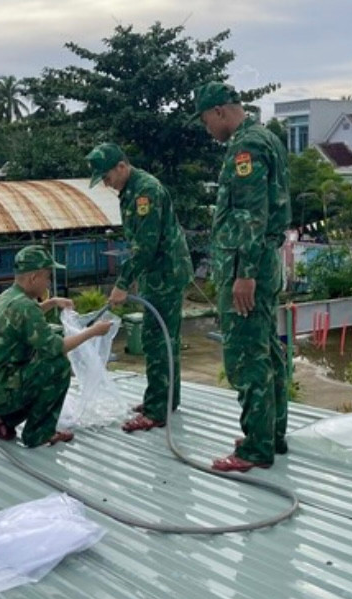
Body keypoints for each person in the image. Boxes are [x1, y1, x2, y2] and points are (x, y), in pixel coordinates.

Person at [193, 81, 292, 472]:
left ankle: (255, 448)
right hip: (264, 261)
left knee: (247, 356)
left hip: (247, 266)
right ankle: (269, 433)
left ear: (219, 111)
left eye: (206, 121)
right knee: (267, 350)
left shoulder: (246, 147)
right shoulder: (266, 138)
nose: (207, 130)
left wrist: (244, 274)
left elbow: (251, 213)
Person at [85, 142, 192, 433]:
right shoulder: (129, 190)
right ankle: (164, 398)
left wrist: (121, 284)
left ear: (122, 166)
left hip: (166, 273)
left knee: (157, 339)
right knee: (162, 337)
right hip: (156, 273)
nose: (106, 184)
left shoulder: (146, 191)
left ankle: (158, 410)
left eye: (107, 177)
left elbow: (145, 245)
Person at [0, 245, 112, 447]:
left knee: (38, 363)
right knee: (57, 365)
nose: (48, 283)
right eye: (47, 277)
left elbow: (24, 317)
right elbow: (56, 348)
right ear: (34, 277)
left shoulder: (3, 298)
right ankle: (39, 434)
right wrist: (92, 332)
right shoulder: (24, 306)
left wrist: (52, 302)